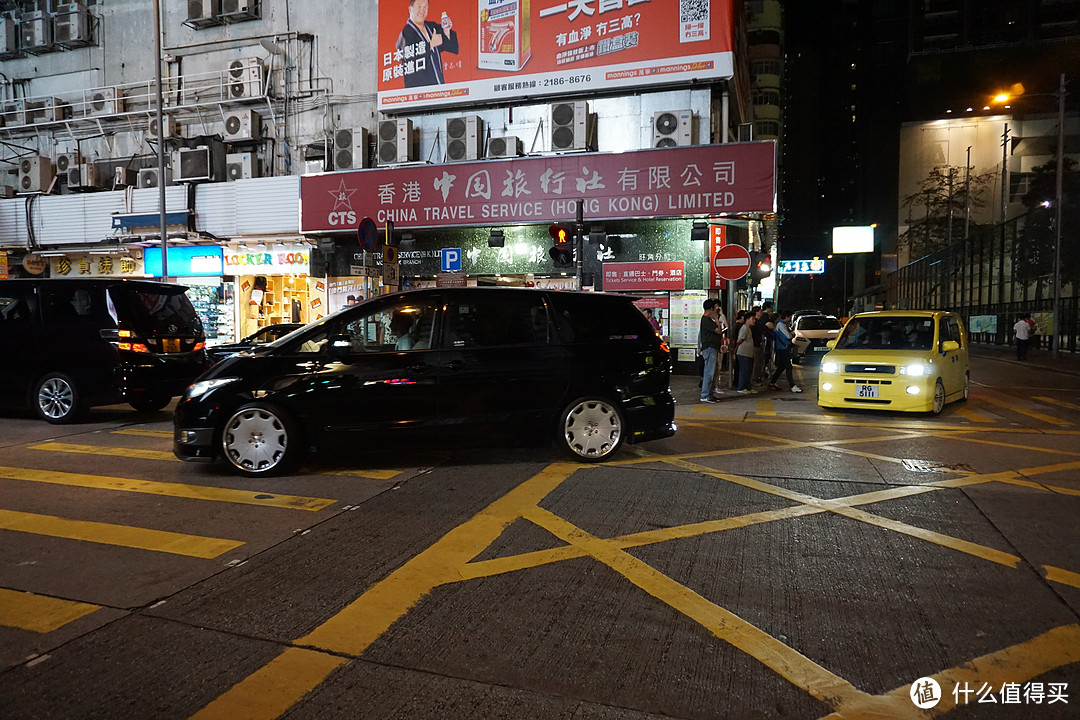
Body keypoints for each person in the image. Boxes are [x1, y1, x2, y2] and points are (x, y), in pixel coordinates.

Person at [396, 0, 459, 88]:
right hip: (419, 92)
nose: (422, 10)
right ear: (410, 9)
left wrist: (446, 31)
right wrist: (431, 45)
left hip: (438, 88)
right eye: (419, 6)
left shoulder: (431, 26)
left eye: (425, 6)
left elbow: (450, 46)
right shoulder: (406, 34)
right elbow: (412, 63)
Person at [768, 311, 801, 393]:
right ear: (786, 317)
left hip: (782, 348)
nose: (790, 319)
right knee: (788, 367)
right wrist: (792, 334)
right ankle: (792, 385)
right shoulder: (781, 325)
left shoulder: (782, 324)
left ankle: (772, 382)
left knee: (782, 367)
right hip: (783, 349)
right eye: (789, 317)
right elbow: (788, 336)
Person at [699, 300, 725, 402]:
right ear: (710, 309)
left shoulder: (707, 319)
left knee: (712, 372)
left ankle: (709, 394)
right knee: (709, 372)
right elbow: (718, 330)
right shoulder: (706, 320)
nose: (715, 311)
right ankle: (705, 395)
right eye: (714, 309)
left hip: (712, 348)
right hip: (709, 348)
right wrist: (716, 319)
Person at [735, 313, 757, 394]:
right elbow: (739, 339)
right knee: (744, 371)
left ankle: (748, 387)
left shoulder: (748, 328)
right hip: (743, 353)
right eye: (752, 319)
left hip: (748, 354)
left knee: (748, 371)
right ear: (747, 319)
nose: (754, 321)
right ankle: (741, 387)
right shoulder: (744, 328)